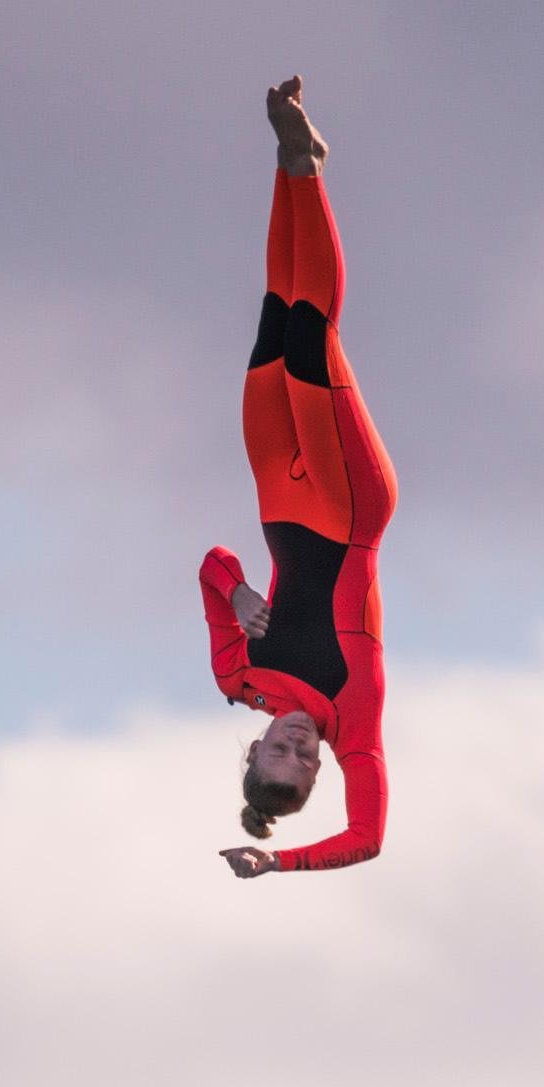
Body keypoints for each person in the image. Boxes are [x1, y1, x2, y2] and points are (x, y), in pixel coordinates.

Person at [200, 77, 398, 878]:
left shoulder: (238, 676)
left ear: (255, 746)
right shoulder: (356, 727)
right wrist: (281, 867)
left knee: (279, 315)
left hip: (277, 494)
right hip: (350, 510)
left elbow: (213, 563)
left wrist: (241, 594)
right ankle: (304, 167)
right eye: (305, 762)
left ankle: (292, 162)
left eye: (279, 751)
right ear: (322, 768)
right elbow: (369, 838)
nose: (299, 745)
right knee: (315, 336)